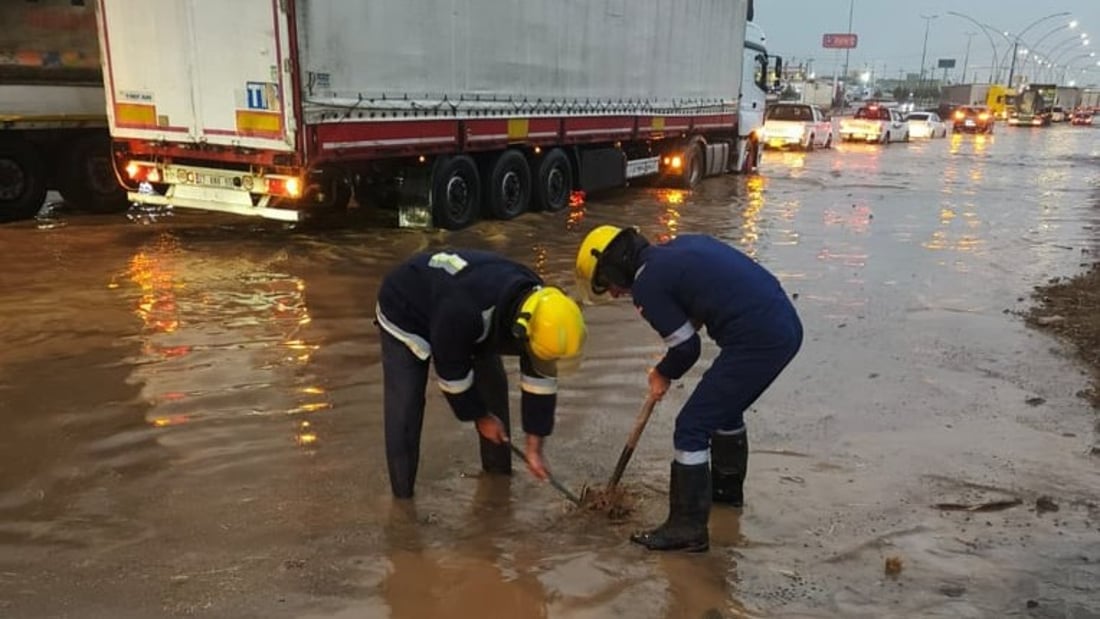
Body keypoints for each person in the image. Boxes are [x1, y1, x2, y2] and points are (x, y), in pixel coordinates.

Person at [575, 226, 802, 552]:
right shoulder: (678, 248)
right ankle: (725, 499)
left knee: (691, 426)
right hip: (783, 324)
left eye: (606, 284)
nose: (612, 293)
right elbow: (703, 299)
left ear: (614, 267)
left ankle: (687, 529)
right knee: (723, 411)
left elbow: (686, 349)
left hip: (758, 339)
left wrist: (662, 373)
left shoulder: (646, 284)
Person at [376, 249, 586, 498]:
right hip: (405, 307)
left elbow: (539, 376)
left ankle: (498, 482)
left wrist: (535, 443)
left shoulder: (542, 309)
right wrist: (480, 417)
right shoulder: (463, 312)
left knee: (493, 389)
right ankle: (403, 503)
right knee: (406, 405)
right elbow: (452, 375)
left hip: (472, 315)